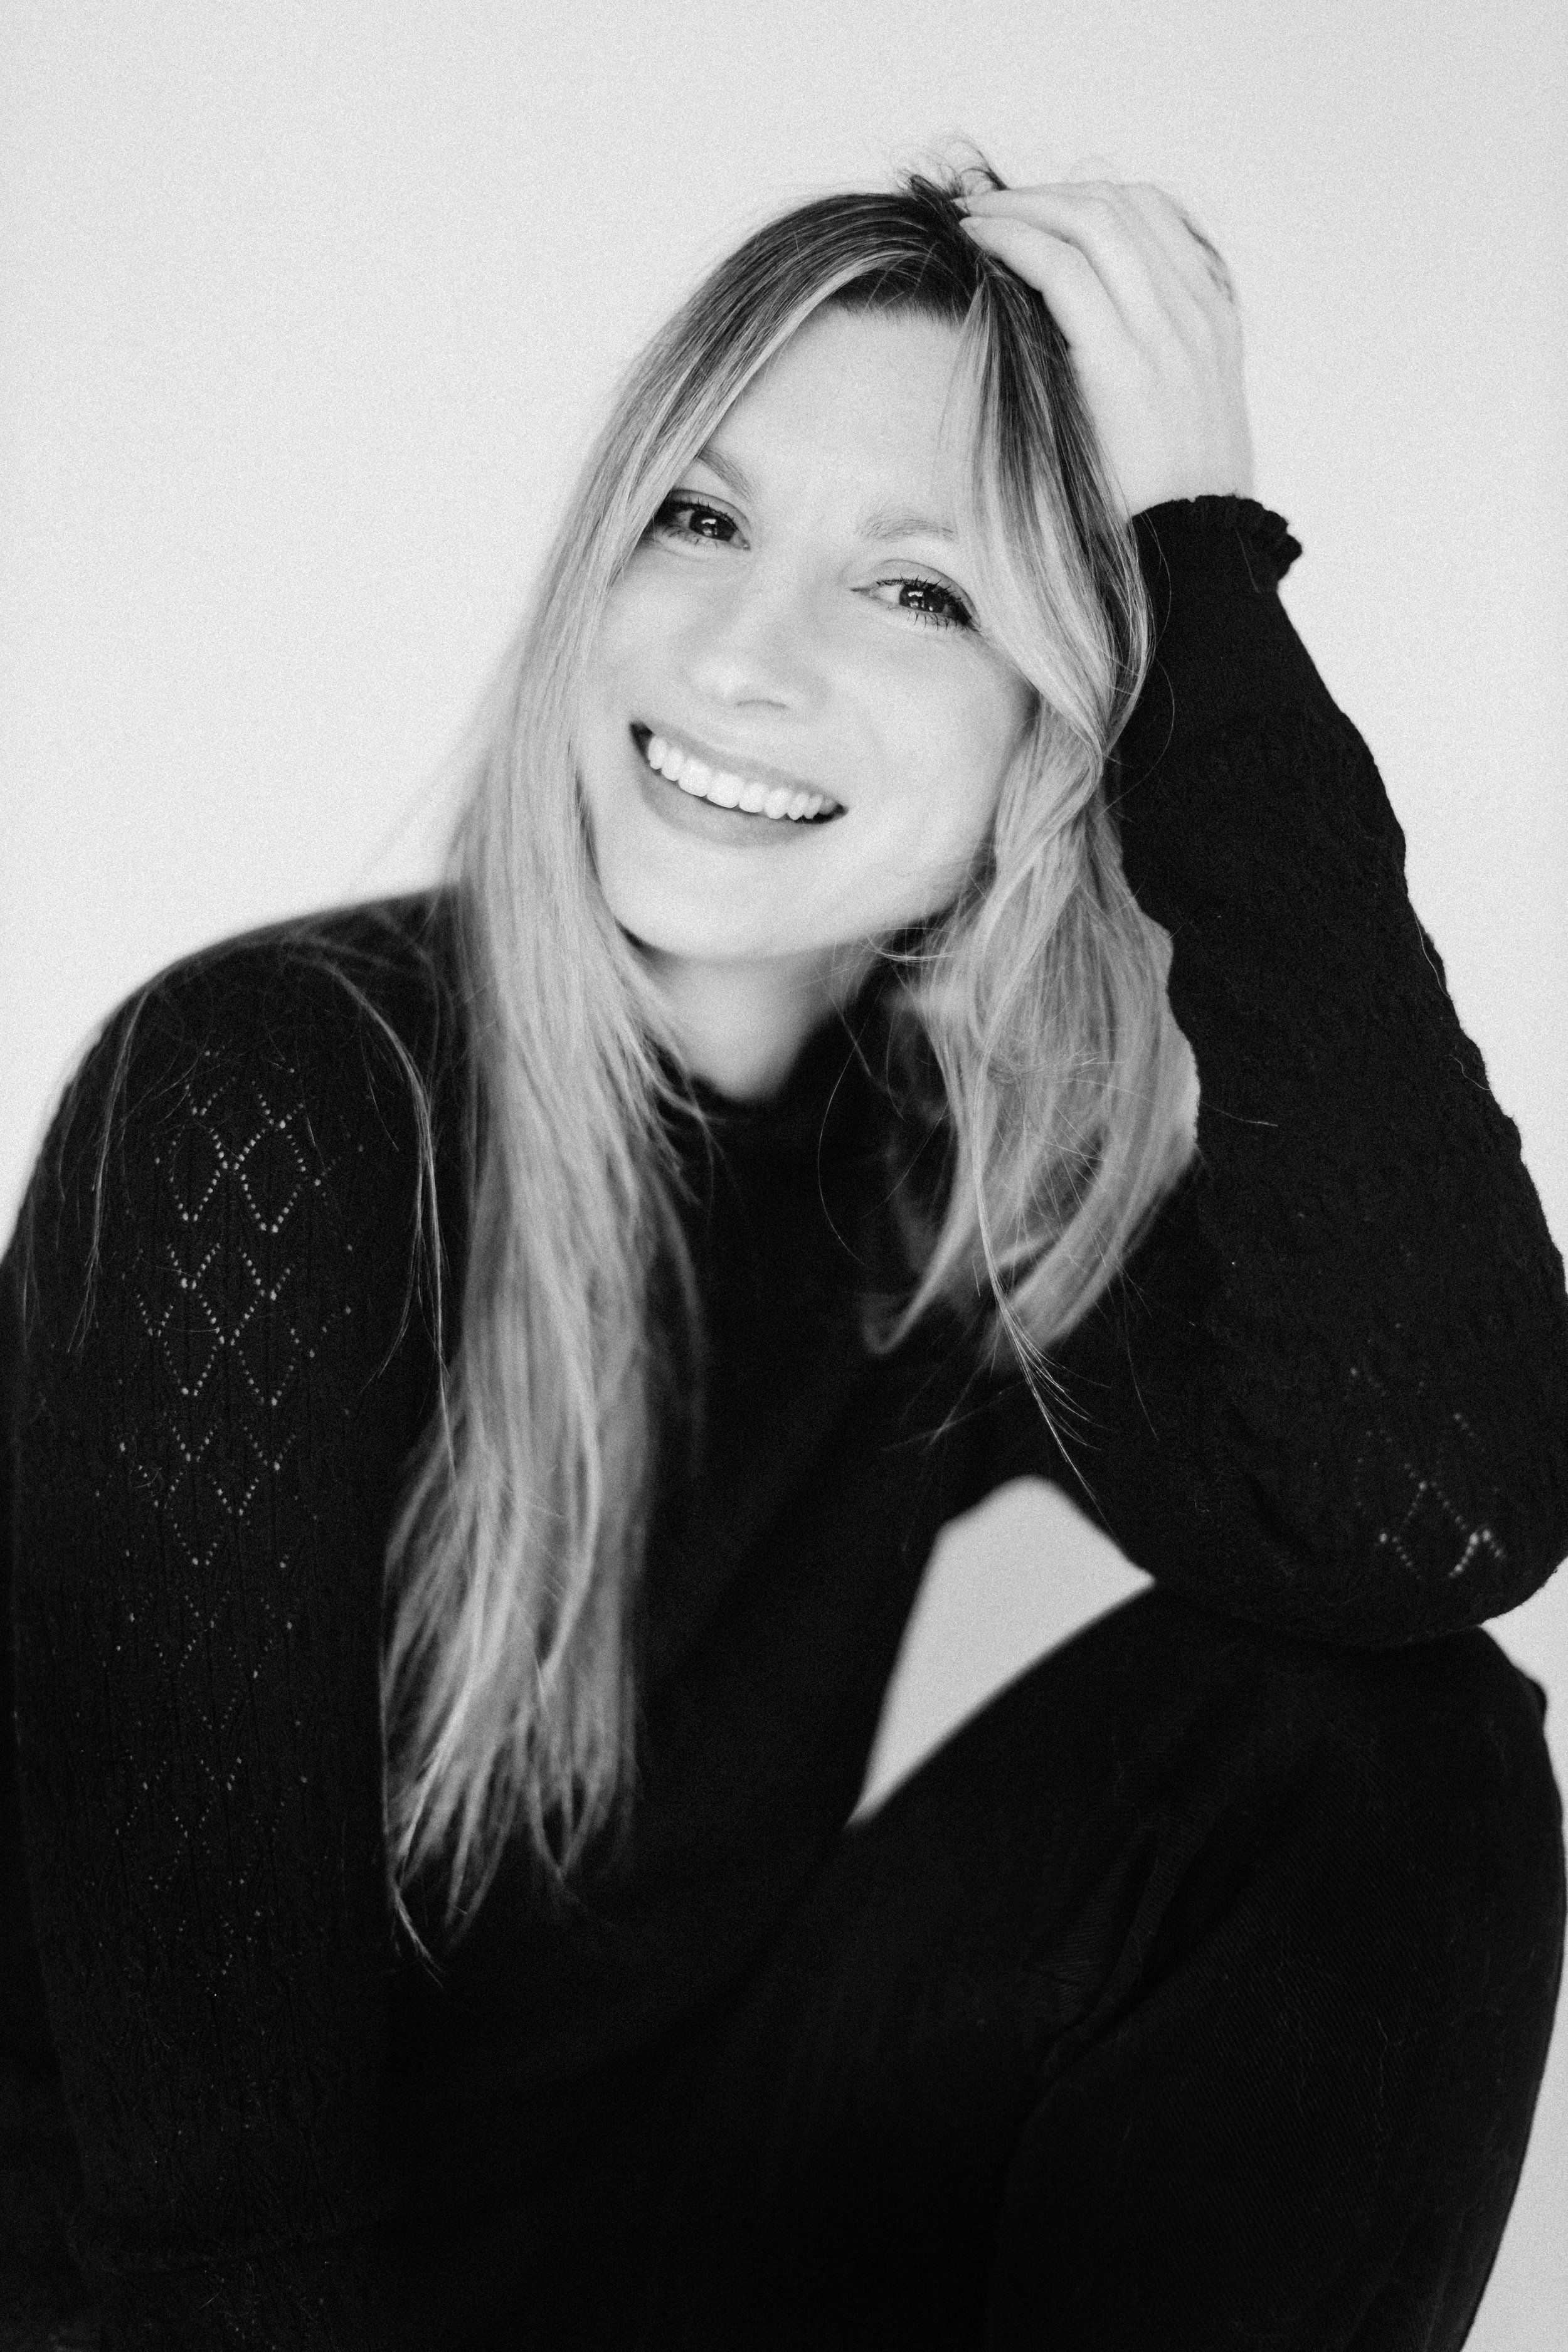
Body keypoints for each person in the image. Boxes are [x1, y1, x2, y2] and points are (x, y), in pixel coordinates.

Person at [3, 151, 1565, 2352]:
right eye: (702, 519)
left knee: (1389, 1761)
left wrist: (1204, 577)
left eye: (920, 593)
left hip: (671, 2263)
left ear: (1061, 718)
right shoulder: (262, 1102)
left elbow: (1447, 1503)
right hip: (223, 2314)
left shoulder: (942, 1176)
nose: (746, 660)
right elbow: (203, 2227)